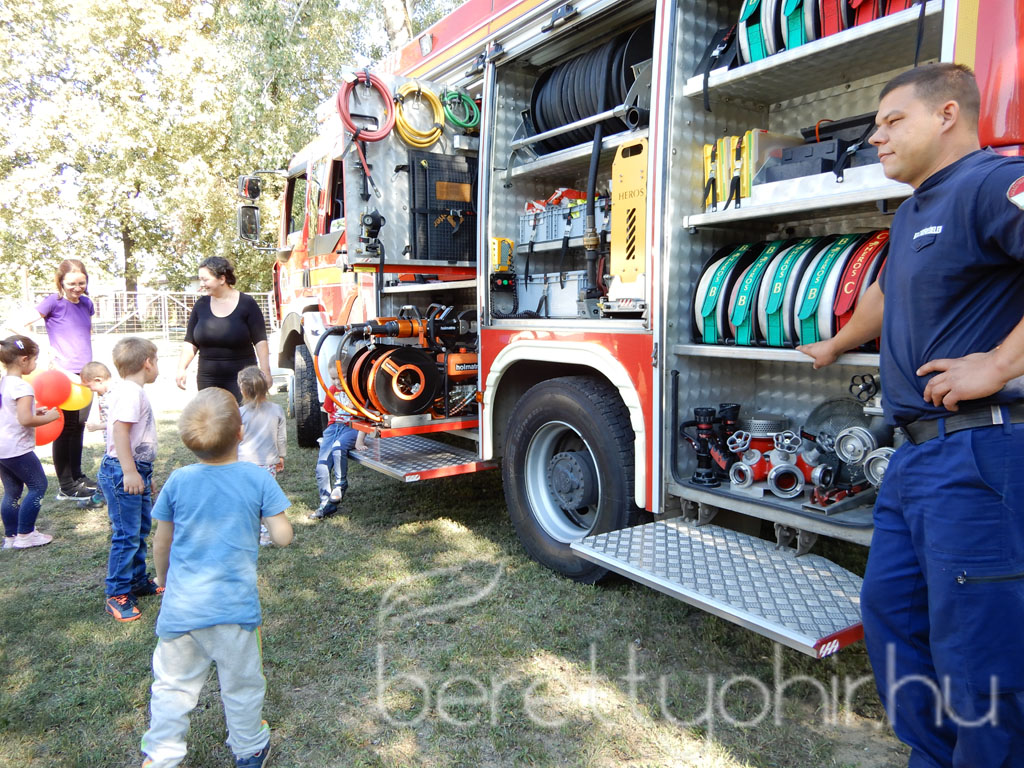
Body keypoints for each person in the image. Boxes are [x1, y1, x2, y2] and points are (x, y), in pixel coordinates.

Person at [798, 63, 1024, 767]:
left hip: (978, 453)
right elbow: (886, 295)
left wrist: (999, 364)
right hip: (916, 457)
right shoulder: (916, 211)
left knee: (978, 648)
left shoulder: (992, 182)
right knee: (893, 618)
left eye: (892, 121)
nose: (876, 138)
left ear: (948, 114)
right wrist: (835, 344)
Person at [140, 387, 293, 768]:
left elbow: (162, 541)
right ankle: (249, 748)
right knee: (242, 684)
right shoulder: (257, 478)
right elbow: (283, 537)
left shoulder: (178, 480)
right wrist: (272, 519)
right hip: (234, 611)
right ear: (240, 433)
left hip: (181, 608)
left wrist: (162, 579)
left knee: (172, 687)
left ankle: (161, 756)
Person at [6, 259, 97, 500]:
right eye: (71, 283)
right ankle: (66, 486)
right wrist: (43, 347)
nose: (77, 288)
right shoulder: (53, 302)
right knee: (65, 429)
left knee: (78, 427)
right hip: (62, 375)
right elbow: (14, 324)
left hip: (84, 375)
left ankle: (77, 476)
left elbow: (85, 334)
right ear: (61, 282)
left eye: (81, 283)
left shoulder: (87, 304)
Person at [100, 337, 160, 622]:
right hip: (123, 471)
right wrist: (129, 472)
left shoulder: (130, 391)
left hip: (136, 470)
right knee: (126, 534)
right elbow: (120, 433)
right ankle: (117, 594)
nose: (157, 366)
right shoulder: (130, 393)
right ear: (147, 363)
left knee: (139, 529)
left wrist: (144, 474)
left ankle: (136, 581)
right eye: (156, 361)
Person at [175, 257, 272, 403]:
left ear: (222, 279)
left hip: (243, 379)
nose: (201, 284)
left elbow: (260, 341)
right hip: (207, 378)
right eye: (200, 280)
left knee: (241, 417)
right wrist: (181, 368)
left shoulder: (247, 304)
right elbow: (190, 342)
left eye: (205, 280)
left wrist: (266, 372)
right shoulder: (200, 305)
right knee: (211, 416)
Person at [0, 336, 61, 550]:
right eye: (35, 360)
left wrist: (35, 410)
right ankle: (26, 534)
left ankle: (10, 536)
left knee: (12, 492)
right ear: (24, 359)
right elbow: (25, 420)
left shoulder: (4, 382)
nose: (35, 365)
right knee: (38, 486)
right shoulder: (22, 387)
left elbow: (10, 411)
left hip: (2, 449)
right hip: (17, 449)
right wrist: (49, 417)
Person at [237, 365, 286, 546]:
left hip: (243, 463)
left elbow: (236, 438)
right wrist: (281, 456)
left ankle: (248, 531)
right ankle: (265, 534)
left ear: (243, 390)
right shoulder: (277, 410)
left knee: (246, 498)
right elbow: (281, 437)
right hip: (268, 463)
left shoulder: (240, 413)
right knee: (265, 499)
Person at [309, 361, 366, 520]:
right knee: (322, 466)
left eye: (343, 377)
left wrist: (360, 440)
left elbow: (366, 419)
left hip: (352, 427)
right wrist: (329, 431)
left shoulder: (357, 391)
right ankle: (325, 503)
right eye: (334, 378)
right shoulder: (332, 391)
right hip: (334, 428)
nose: (338, 382)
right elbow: (330, 414)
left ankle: (340, 484)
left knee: (338, 448)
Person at [82, 360, 113, 436]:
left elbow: (118, 421)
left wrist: (98, 427)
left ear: (98, 380)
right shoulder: (104, 394)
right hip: (110, 438)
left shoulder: (114, 395)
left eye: (89, 386)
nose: (90, 390)